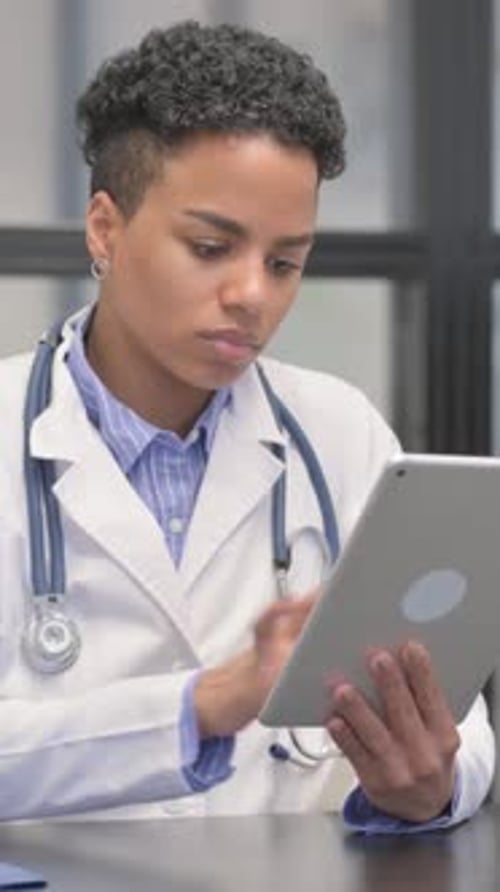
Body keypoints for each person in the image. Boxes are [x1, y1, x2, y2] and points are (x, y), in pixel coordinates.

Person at [0, 20, 493, 831]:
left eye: (284, 262)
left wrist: (428, 786)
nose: (252, 295)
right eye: (209, 246)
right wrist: (205, 705)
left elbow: (462, 728)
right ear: (104, 228)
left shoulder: (341, 434)